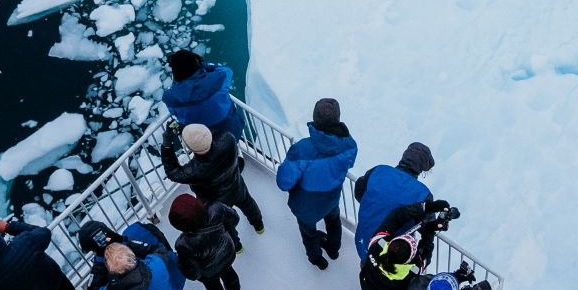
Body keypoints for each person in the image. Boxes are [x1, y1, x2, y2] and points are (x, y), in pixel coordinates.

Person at [275, 97, 358, 269]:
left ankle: (317, 260)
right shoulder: (349, 146)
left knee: (309, 233)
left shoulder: (302, 149)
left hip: (307, 205)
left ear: (315, 118)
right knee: (334, 222)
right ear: (337, 119)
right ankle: (334, 250)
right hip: (331, 198)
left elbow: (284, 182)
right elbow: (347, 163)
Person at [161, 121, 265, 233]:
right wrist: (193, 132)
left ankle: (237, 245)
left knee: (225, 222)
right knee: (248, 204)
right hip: (236, 185)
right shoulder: (228, 139)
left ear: (190, 148)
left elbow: (172, 172)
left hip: (216, 200)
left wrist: (167, 145)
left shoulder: (194, 170)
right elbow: (211, 134)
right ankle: (259, 225)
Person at [169, 192, 247, 290]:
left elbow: (191, 272)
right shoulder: (216, 208)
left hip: (209, 272)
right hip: (227, 255)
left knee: (214, 288)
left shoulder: (182, 244)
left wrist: (199, 276)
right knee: (230, 274)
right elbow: (234, 219)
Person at [354, 142, 436, 247]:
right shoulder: (422, 194)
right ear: (422, 167)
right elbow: (429, 227)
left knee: (368, 259)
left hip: (363, 238)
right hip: (390, 250)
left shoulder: (378, 170)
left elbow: (359, 192)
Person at [162, 50, 238, 142]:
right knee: (231, 145)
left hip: (202, 140)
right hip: (231, 130)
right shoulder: (219, 78)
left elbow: (174, 111)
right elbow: (226, 70)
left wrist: (177, 78)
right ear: (197, 63)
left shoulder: (171, 98)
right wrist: (203, 65)